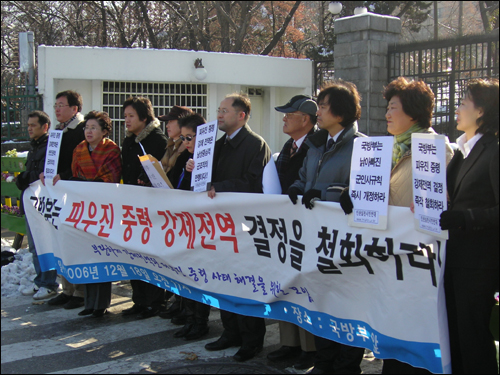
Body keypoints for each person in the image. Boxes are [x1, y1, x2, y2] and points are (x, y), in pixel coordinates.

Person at [288, 80, 366, 374]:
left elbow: (359, 193)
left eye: (322, 106)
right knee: (320, 299)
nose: (317, 111)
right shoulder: (317, 144)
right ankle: (324, 361)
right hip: (314, 238)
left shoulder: (362, 146)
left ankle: (347, 366)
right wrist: (297, 188)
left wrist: (324, 195)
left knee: (348, 304)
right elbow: (305, 177)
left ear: (342, 113)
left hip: (345, 242)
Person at [204, 93, 271, 362]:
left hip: (244, 228)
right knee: (222, 280)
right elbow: (207, 176)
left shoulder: (256, 145)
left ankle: (252, 340)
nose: (218, 115)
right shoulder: (218, 144)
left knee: (245, 283)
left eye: (224, 111)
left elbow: (254, 184)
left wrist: (219, 188)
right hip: (218, 225)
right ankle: (230, 331)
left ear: (241, 115)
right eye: (218, 110)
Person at [439, 78, 498, 374]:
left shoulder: (494, 150)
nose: (457, 108)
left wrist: (466, 217)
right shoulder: (461, 150)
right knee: (454, 336)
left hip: (478, 263)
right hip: (452, 257)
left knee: (473, 337)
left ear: (482, 111)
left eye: (464, 103)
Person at [267, 95, 318, 370]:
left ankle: (309, 348)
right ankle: (290, 343)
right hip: (285, 226)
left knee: (303, 285)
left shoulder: (316, 145)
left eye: (290, 113)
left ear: (306, 119)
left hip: (307, 227)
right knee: (285, 282)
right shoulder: (289, 146)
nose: (284, 118)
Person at [70, 111, 122, 318]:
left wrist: (89, 185)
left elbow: (112, 177)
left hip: (104, 208)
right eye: (86, 127)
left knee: (102, 254)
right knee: (87, 253)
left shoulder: (112, 150)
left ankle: (100, 304)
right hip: (84, 208)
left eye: (93, 127)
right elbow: (73, 175)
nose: (88, 131)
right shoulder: (79, 149)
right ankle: (88, 302)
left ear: (104, 131)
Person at [120, 96, 168, 319]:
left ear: (144, 117)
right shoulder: (129, 140)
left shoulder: (158, 140)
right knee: (133, 254)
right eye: (125, 116)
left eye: (131, 116)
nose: (126, 120)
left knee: (151, 255)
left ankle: (154, 301)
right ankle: (138, 300)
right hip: (131, 205)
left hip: (152, 207)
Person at [166, 112, 212, 340]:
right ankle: (190, 318)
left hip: (205, 230)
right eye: (182, 138)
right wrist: (186, 171)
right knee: (186, 273)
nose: (185, 143)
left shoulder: (213, 158)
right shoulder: (187, 160)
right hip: (186, 226)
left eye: (189, 137)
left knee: (199, 275)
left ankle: (200, 322)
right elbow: (180, 190)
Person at [42, 90, 86, 310]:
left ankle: (80, 291)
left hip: (74, 195)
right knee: (59, 241)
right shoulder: (57, 131)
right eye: (56, 105)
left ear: (74, 109)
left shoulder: (81, 130)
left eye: (61, 105)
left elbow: (81, 164)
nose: (57, 108)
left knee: (73, 241)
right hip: (57, 194)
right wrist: (45, 173)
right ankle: (66, 288)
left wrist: (66, 176)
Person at [16, 111, 59, 300]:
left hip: (43, 203)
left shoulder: (50, 146)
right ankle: (40, 280)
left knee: (45, 243)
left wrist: (27, 177)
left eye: (33, 125)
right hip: (31, 202)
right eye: (28, 125)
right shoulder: (34, 146)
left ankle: (49, 282)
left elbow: (44, 173)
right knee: (34, 246)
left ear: (45, 127)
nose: (30, 128)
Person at [157, 105, 193, 323]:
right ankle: (177, 301)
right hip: (169, 208)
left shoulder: (187, 149)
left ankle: (185, 307)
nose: (167, 125)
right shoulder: (171, 145)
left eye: (170, 121)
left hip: (183, 209)